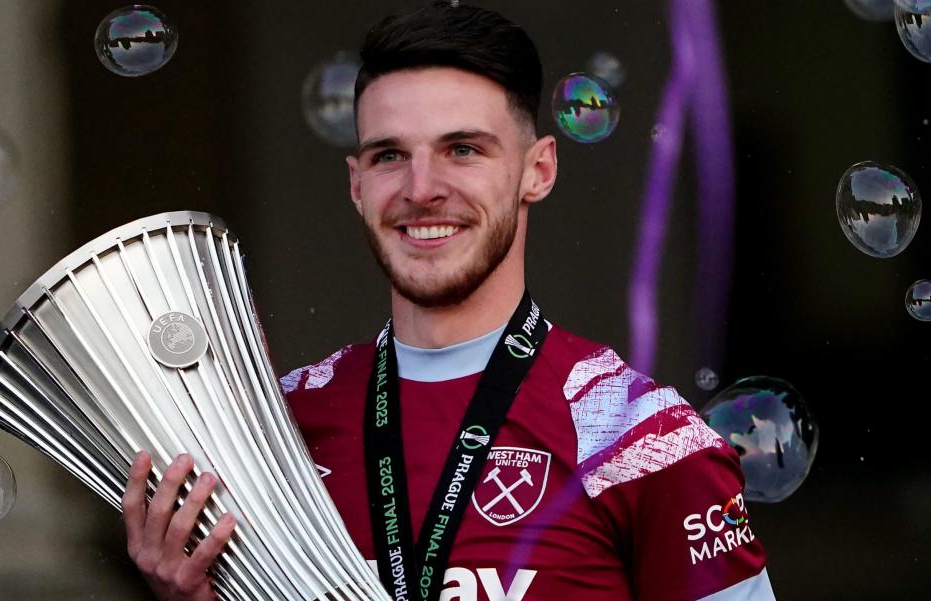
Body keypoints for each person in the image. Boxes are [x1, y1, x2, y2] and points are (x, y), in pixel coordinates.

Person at [123, 2, 776, 600]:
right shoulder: (276, 431)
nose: (422, 187)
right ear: (356, 184)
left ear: (537, 170)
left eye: (462, 149)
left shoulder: (645, 440)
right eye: (388, 156)